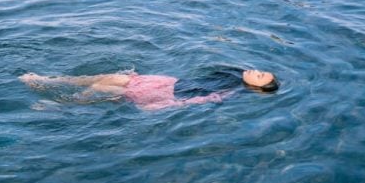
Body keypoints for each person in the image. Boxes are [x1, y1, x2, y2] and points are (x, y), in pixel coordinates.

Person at [20, 68, 279, 111]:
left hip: (167, 94)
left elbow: (201, 101)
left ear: (256, 87)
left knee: (103, 89)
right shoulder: (233, 74)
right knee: (110, 78)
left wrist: (159, 107)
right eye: (261, 70)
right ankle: (49, 81)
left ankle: (62, 106)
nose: (256, 71)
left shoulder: (232, 91)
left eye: (260, 76)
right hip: (169, 82)